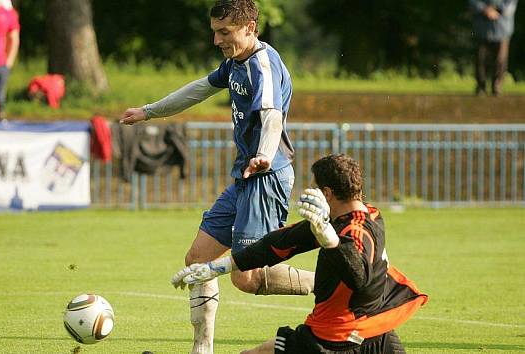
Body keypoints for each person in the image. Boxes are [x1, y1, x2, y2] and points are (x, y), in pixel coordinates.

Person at [121, 1, 315, 353]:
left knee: (247, 277)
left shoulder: (263, 65)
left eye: (224, 32)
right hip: (245, 177)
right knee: (198, 259)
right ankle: (203, 348)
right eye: (214, 31)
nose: (216, 40)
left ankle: (335, 282)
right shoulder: (235, 63)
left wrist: (263, 156)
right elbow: (198, 89)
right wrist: (148, 112)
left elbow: (272, 117)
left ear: (250, 27)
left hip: (267, 176)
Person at [173, 154, 428, 354]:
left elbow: (358, 274)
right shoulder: (368, 215)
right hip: (377, 331)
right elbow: (280, 243)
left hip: (329, 340)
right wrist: (214, 268)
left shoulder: (352, 230)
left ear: (327, 193)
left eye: (317, 188)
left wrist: (328, 237)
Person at [469, 0, 519, 96]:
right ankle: (481, 86)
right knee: (480, 59)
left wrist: (497, 10)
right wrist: (485, 9)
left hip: (502, 28)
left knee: (500, 60)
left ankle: (497, 86)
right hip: (482, 28)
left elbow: (510, 4)